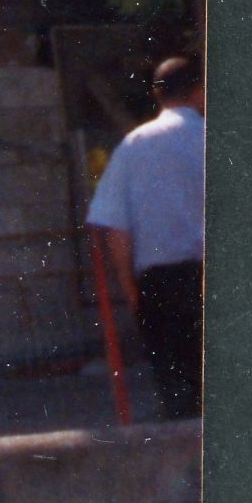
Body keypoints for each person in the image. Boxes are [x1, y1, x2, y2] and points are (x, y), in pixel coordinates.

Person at [88, 57, 206, 420]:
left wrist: (131, 289)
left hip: (161, 286)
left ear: (156, 94)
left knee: (179, 401)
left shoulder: (133, 147)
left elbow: (114, 229)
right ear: (201, 91)